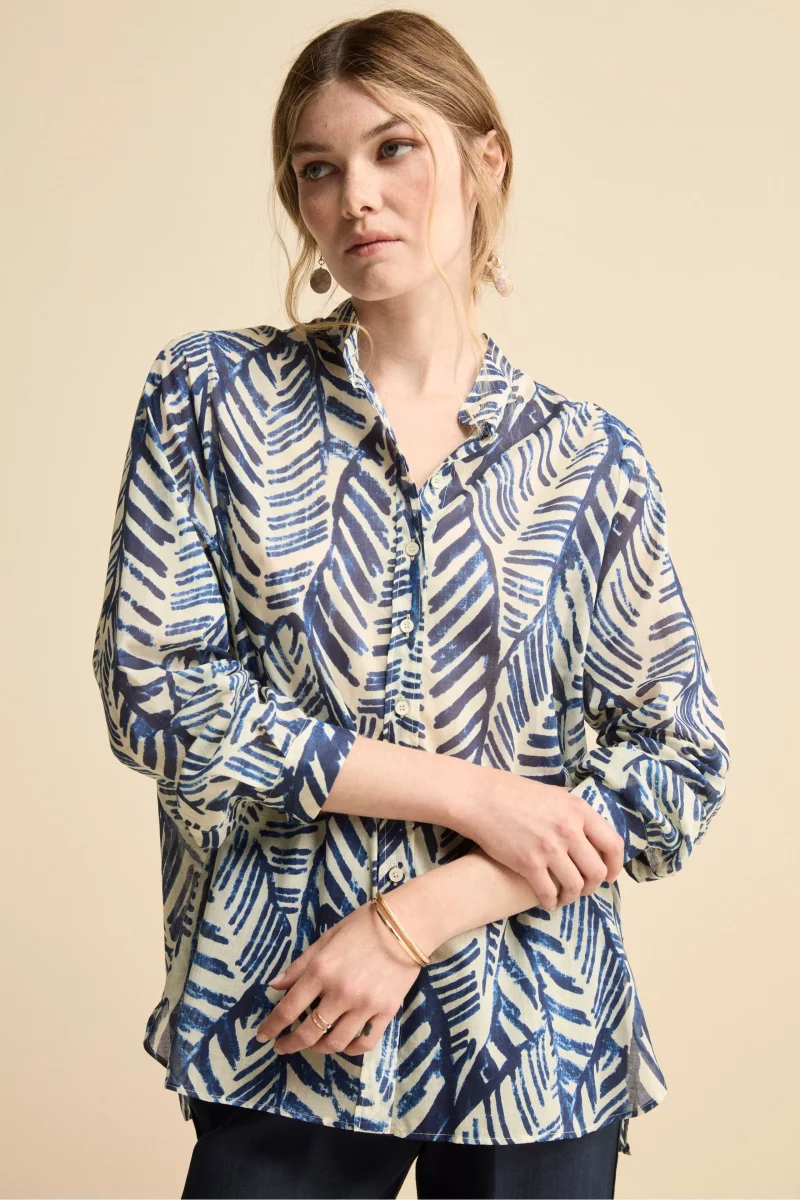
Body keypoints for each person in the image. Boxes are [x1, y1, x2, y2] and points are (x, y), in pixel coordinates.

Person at [91, 9, 730, 1199]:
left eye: (394, 149)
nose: (355, 198)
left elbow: (675, 770)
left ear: (485, 160)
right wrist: (477, 796)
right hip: (290, 1017)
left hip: (535, 1038)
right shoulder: (211, 395)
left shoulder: (589, 460)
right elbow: (159, 700)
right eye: (316, 169)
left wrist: (419, 913)